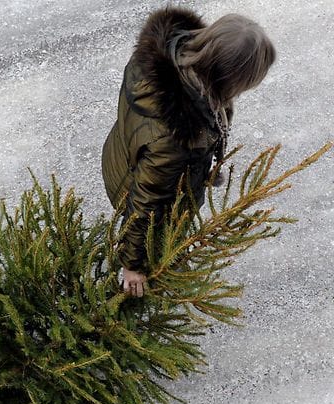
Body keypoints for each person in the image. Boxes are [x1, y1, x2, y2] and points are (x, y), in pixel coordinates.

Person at [101, 7, 276, 297]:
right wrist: (132, 265)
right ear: (226, 78)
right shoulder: (174, 139)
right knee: (157, 241)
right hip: (135, 185)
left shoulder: (168, 57)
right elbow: (144, 204)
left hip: (124, 153)